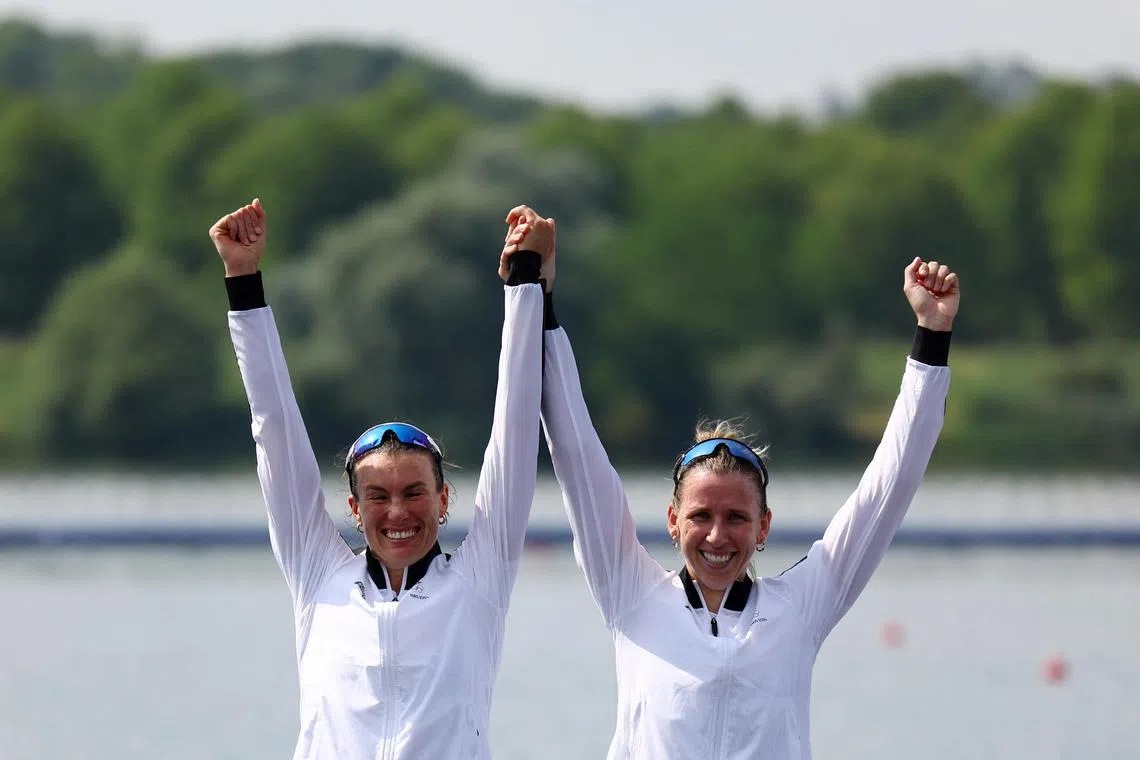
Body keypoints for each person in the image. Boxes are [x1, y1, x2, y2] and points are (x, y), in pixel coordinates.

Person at [513, 201, 958, 759]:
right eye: (701, 516)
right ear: (674, 521)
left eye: (736, 518)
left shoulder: (803, 605)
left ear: (764, 525)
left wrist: (932, 334)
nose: (718, 536)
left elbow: (890, 485)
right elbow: (577, 456)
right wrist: (541, 299)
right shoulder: (629, 592)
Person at [212, 198, 552, 759]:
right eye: (379, 497)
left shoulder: (479, 579)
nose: (397, 512)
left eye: (414, 493)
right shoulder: (318, 573)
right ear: (354, 508)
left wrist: (524, 285)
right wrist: (243, 279)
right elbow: (273, 428)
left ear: (443, 499)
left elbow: (514, 430)